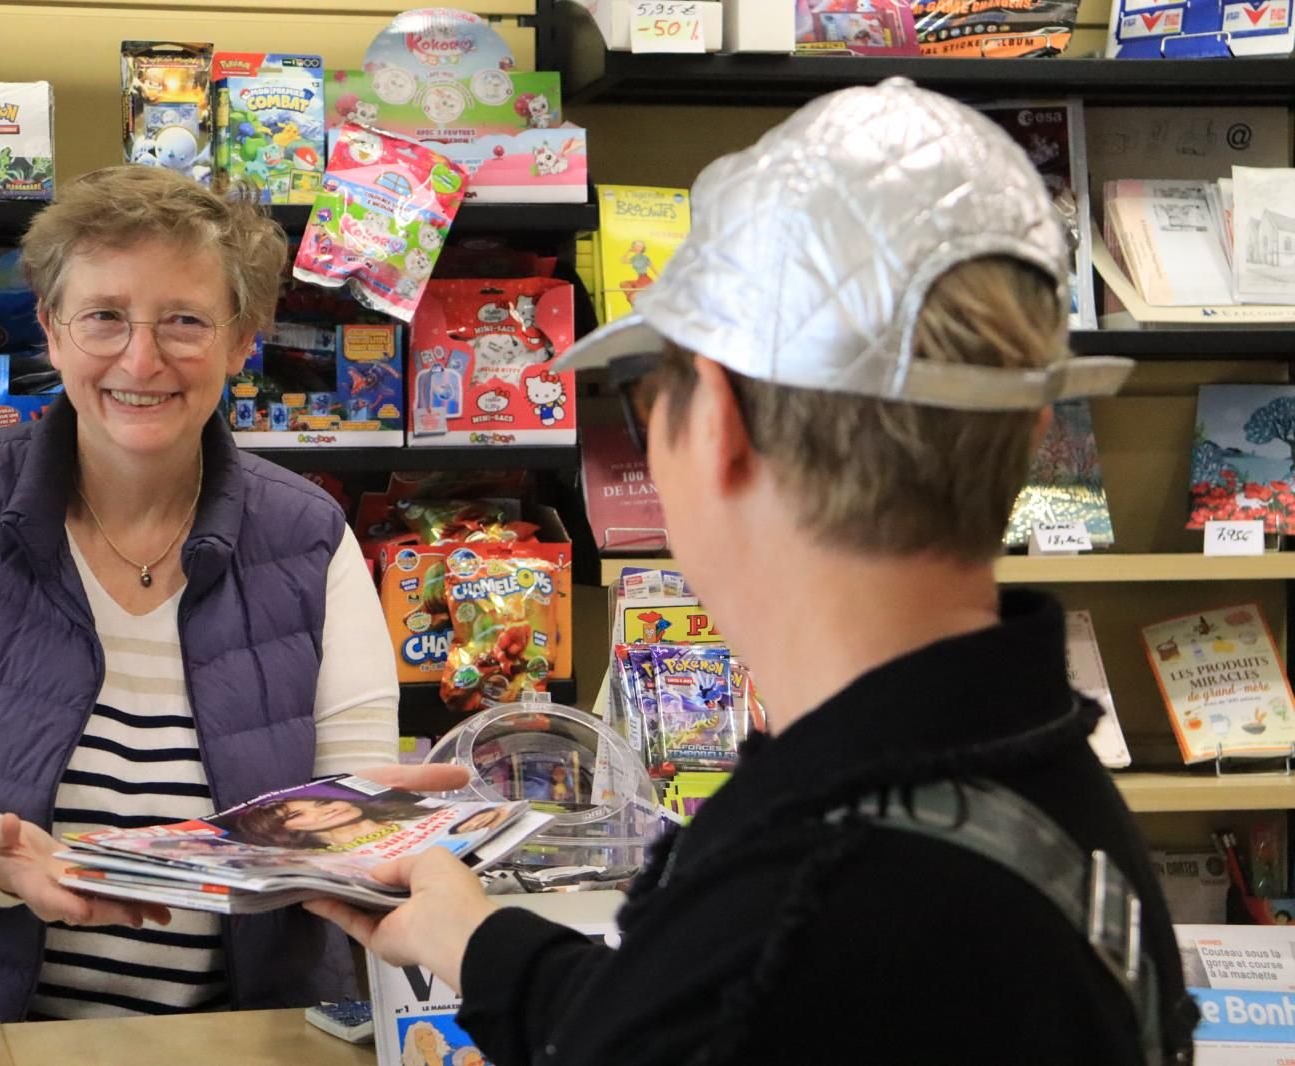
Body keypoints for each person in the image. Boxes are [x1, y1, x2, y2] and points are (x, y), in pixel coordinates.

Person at [307, 80, 1198, 1065]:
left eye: (648, 395)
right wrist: (474, 940)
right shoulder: (1043, 798)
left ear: (718, 423)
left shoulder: (812, 899)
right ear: (1035, 435)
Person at [0, 165, 453, 1046]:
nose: (141, 359)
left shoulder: (311, 539)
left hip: (237, 1039)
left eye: (185, 321)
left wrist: (365, 832)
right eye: (104, 316)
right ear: (51, 329)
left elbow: (347, 807)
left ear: (241, 343)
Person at [218, 795, 431, 851]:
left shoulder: (418, 815)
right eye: (294, 816)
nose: (327, 809)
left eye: (323, 802)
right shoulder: (322, 866)